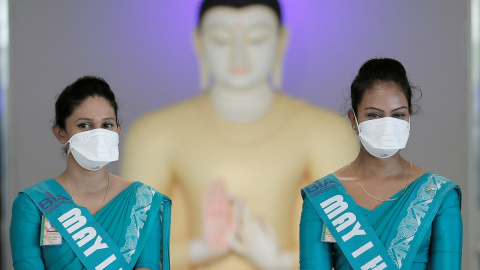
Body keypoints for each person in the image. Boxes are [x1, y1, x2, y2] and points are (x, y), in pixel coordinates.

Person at [121, 1, 357, 269]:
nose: (239, 56)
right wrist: (201, 249)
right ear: (199, 43)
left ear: (281, 41)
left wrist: (278, 261)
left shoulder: (327, 133)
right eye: (221, 40)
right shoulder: (154, 135)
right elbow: (133, 253)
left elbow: (350, 251)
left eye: (257, 39)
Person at [299, 57, 463, 269]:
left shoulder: (439, 195)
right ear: (353, 120)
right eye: (374, 115)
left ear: (409, 117)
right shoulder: (322, 198)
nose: (387, 125)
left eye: (398, 115)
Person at [10, 76, 171, 270]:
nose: (98, 134)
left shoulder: (142, 200)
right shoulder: (33, 203)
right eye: (84, 125)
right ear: (61, 133)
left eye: (107, 125)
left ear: (118, 131)